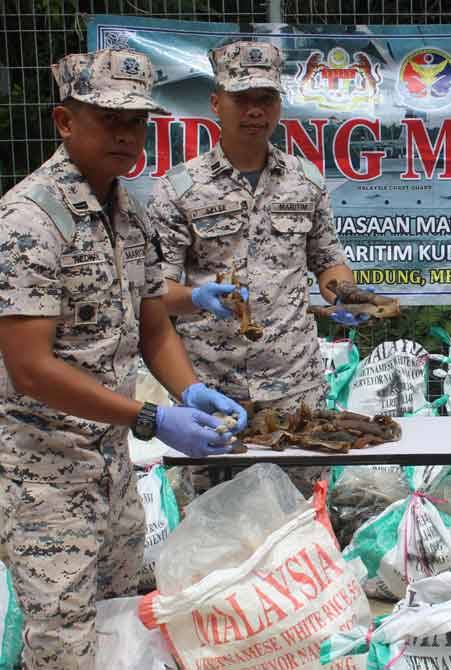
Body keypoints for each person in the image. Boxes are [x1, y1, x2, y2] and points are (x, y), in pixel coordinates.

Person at [0, 49, 247, 669]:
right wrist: (150, 418)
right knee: (64, 646)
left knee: (119, 626)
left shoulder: (125, 211)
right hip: (42, 476)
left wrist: (188, 391)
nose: (125, 135)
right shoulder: (29, 221)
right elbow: (29, 368)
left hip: (110, 468)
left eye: (136, 121)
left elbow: (152, 324)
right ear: (64, 121)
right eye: (108, 118)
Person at [146, 41, 358, 492]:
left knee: (301, 517)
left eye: (266, 98)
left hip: (294, 389)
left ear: (278, 106)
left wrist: (345, 295)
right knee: (211, 521)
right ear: (216, 103)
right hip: (210, 388)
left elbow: (328, 262)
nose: (254, 111)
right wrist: (195, 298)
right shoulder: (179, 189)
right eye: (241, 98)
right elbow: (155, 292)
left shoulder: (306, 181)